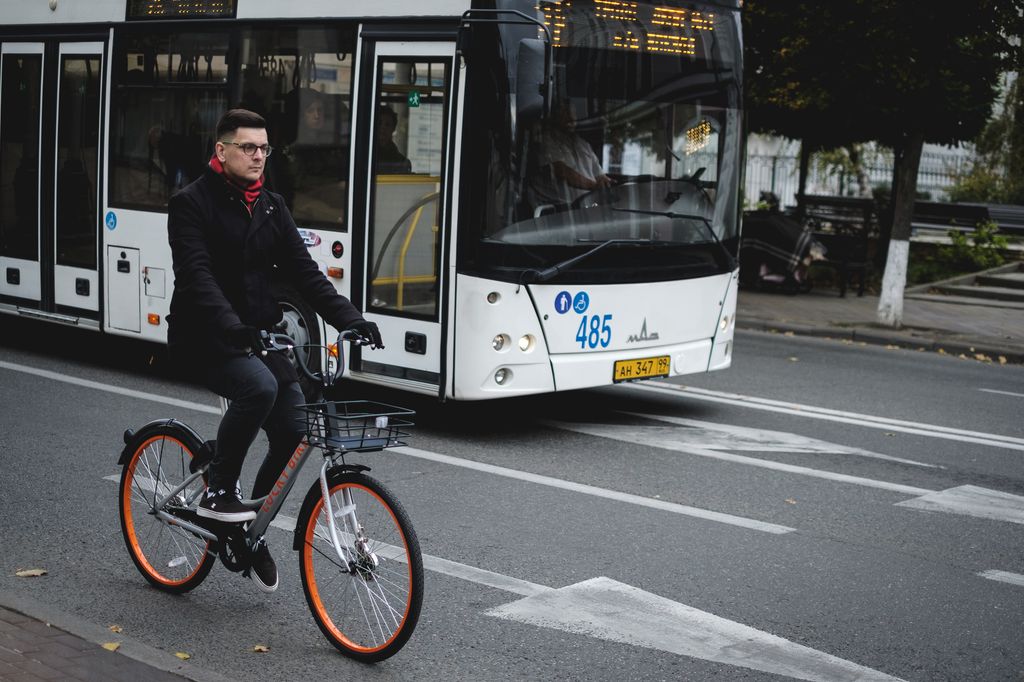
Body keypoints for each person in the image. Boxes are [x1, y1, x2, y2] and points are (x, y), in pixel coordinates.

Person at [166, 108, 383, 593]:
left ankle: (248, 528)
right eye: (248, 147)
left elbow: (306, 274)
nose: (259, 156)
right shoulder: (191, 203)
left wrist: (352, 319)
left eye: (264, 148)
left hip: (260, 336)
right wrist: (233, 326)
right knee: (257, 388)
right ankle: (219, 492)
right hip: (207, 336)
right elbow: (197, 277)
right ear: (221, 151)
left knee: (294, 430)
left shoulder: (271, 205)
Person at [527, 100, 612, 208]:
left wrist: (608, 183)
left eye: (573, 114)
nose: (572, 118)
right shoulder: (545, 141)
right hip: (554, 211)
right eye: (565, 113)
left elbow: (598, 174)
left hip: (584, 207)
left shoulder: (583, 144)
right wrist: (594, 186)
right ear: (554, 117)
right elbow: (562, 172)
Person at [375, 104, 412, 173]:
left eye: (387, 124)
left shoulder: (402, 163)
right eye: (379, 123)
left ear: (393, 129)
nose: (383, 128)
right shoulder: (363, 154)